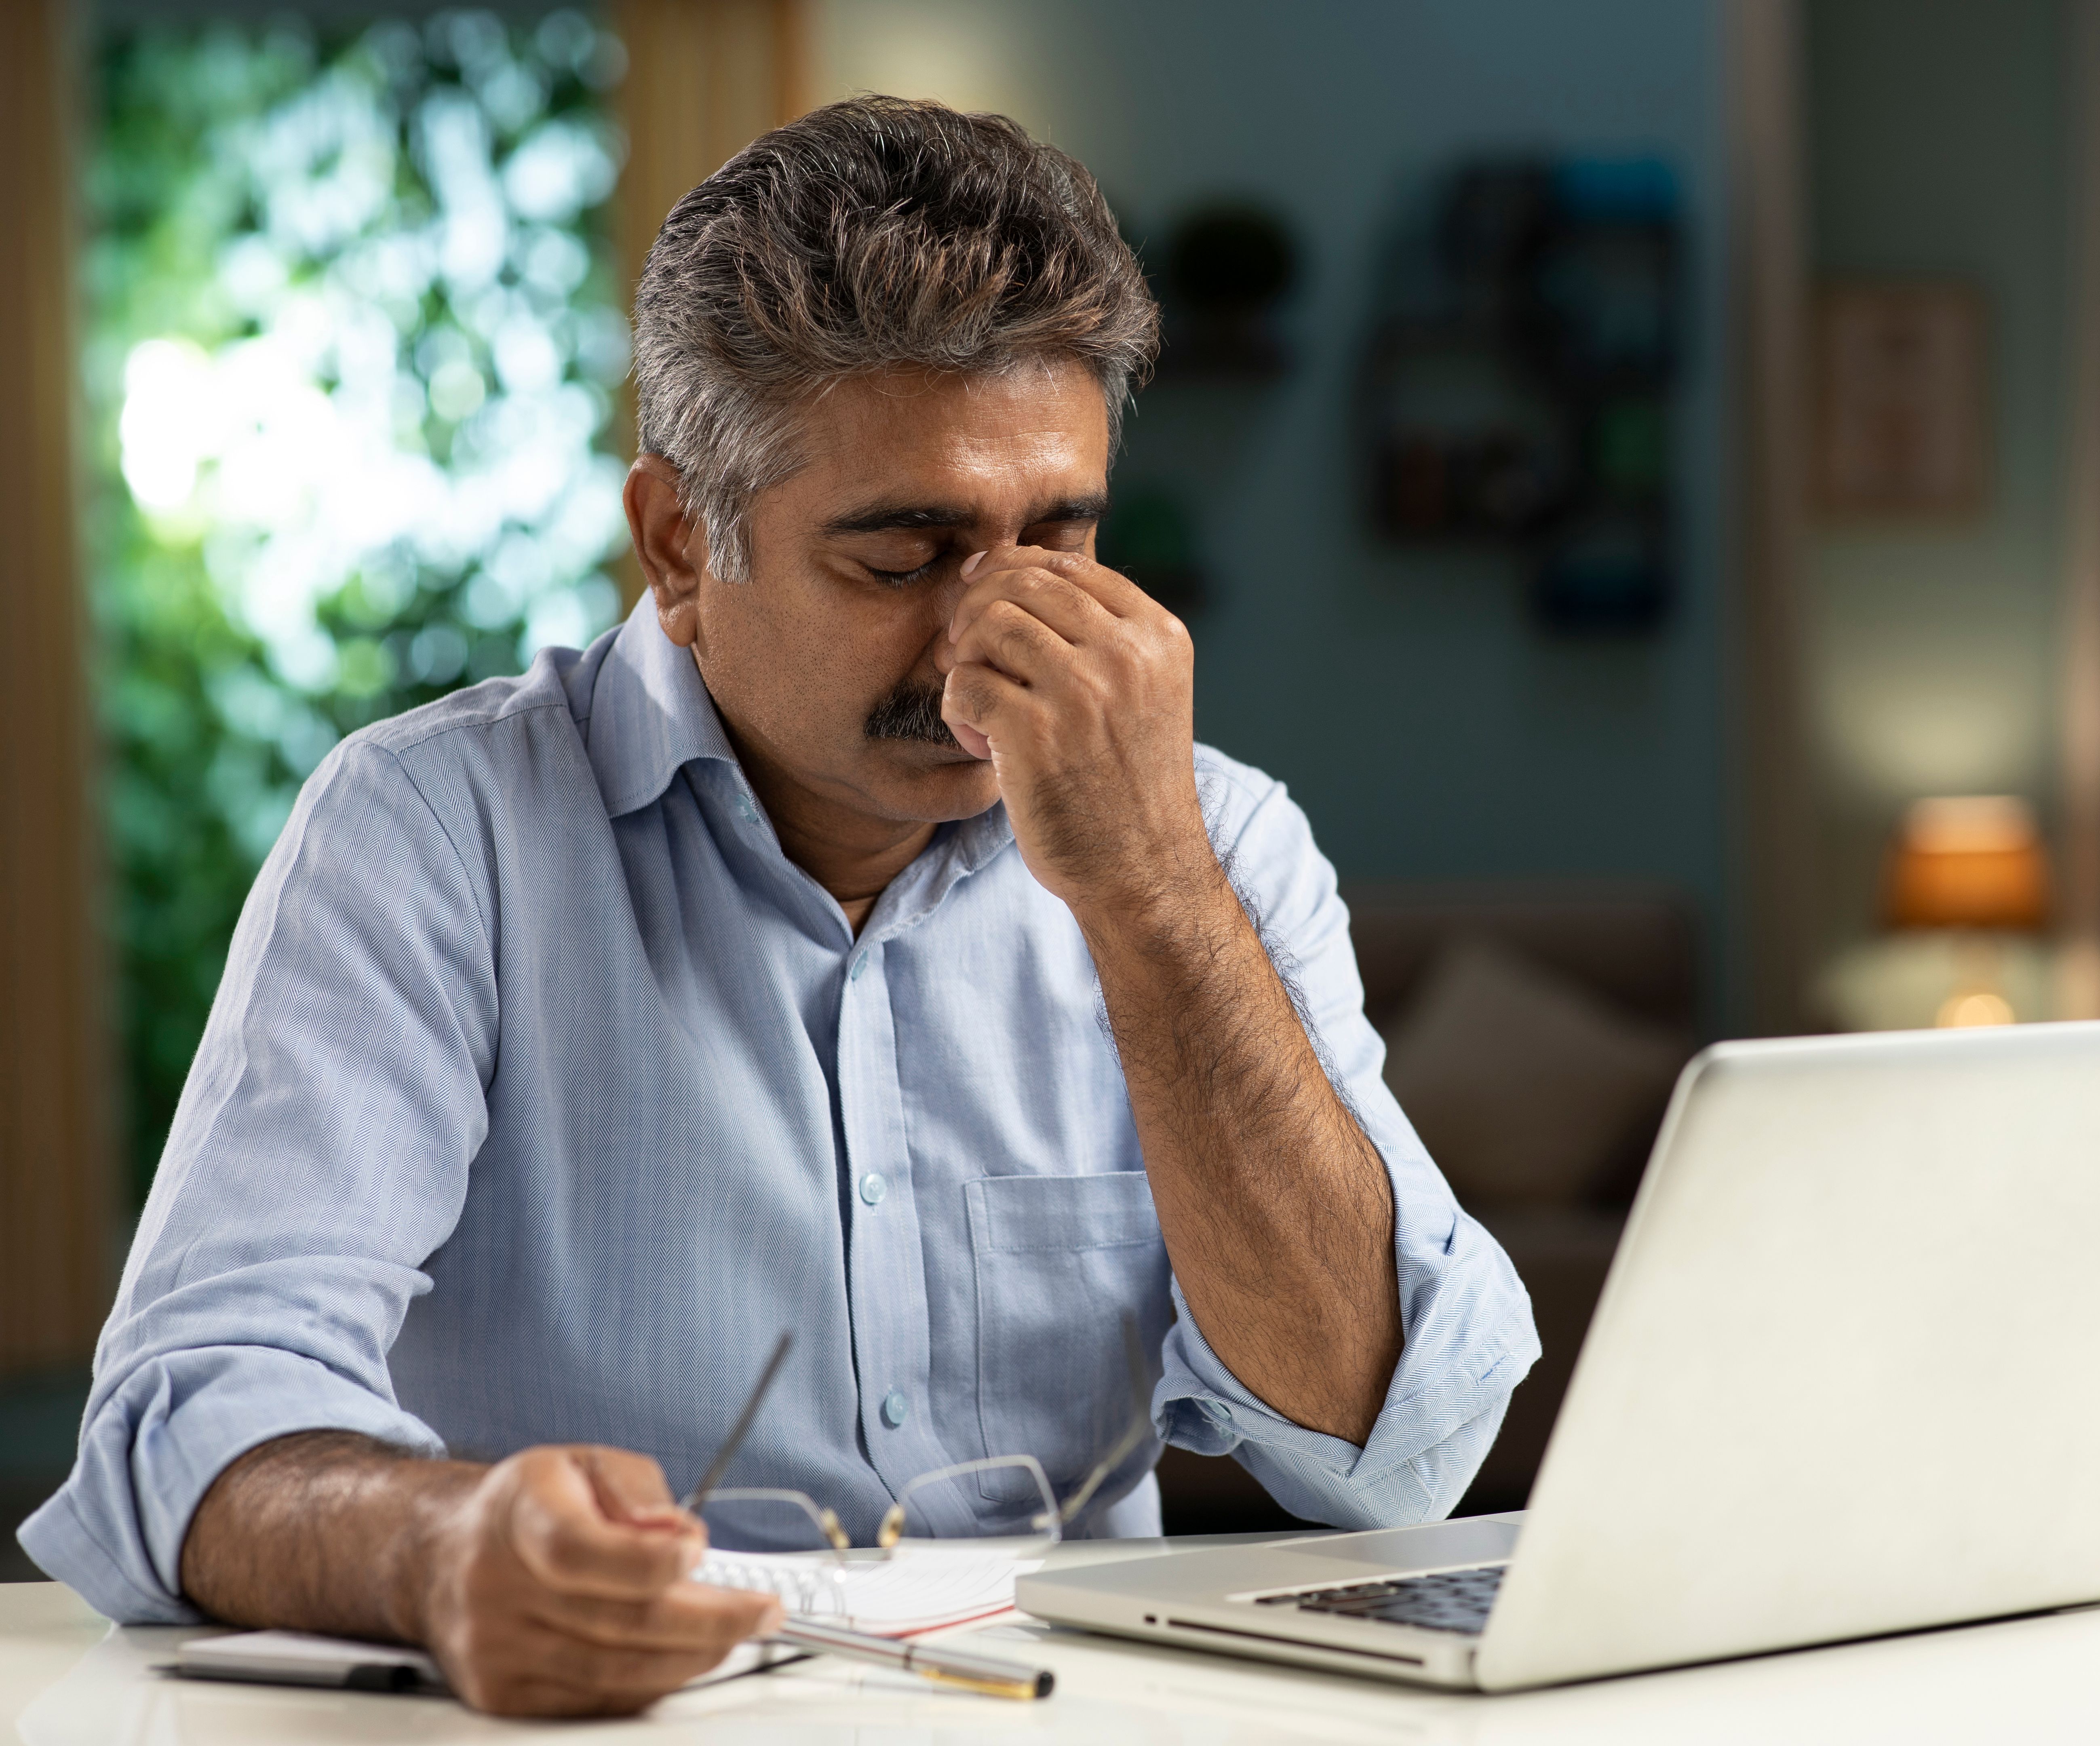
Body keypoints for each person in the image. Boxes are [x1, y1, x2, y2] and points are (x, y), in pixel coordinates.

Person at [20, 96, 1536, 1717]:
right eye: (907, 554)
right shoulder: (430, 835)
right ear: (681, 545)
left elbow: (1398, 1464)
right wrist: (439, 1549)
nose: (999, 637)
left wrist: (1154, 900)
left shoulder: (1215, 843)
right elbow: (187, 1415)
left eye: (1063, 537)